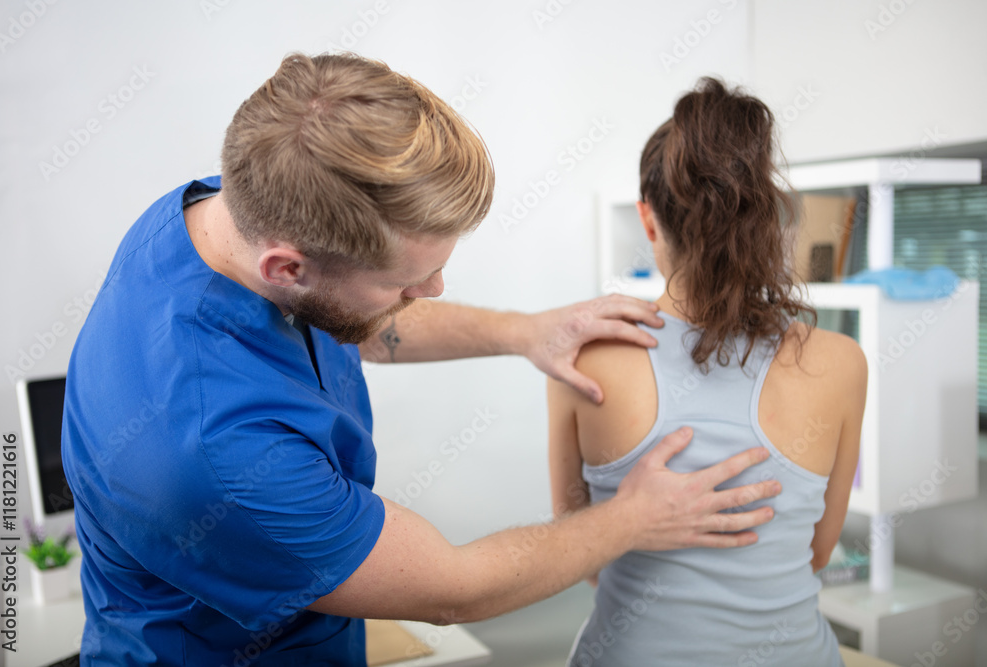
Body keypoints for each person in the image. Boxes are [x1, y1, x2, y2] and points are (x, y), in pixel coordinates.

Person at [62, 54, 781, 666]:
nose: (431, 292)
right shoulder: (213, 455)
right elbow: (455, 589)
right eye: (406, 283)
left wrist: (524, 331)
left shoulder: (219, 215)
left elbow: (355, 320)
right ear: (287, 266)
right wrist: (634, 518)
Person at [548, 77, 867, 666]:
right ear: (763, 215)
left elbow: (581, 553)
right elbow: (819, 553)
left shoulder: (583, 355)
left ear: (649, 221)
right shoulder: (842, 362)